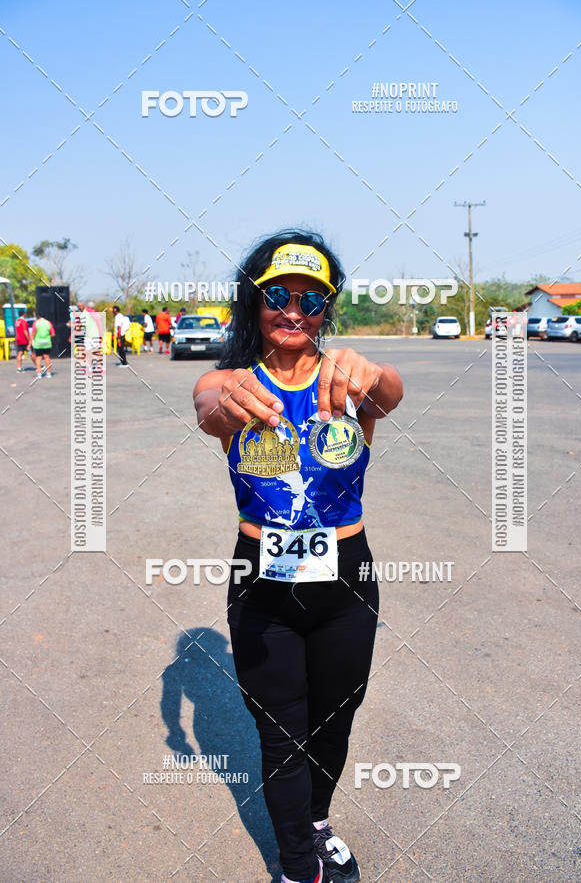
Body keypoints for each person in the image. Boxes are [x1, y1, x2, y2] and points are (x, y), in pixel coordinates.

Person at [193, 230, 403, 883]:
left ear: (327, 309)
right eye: (278, 295)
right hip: (263, 586)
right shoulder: (229, 383)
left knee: (335, 724)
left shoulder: (348, 382)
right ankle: (296, 869)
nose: (293, 311)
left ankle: (316, 821)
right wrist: (219, 405)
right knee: (283, 737)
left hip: (347, 580)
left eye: (311, 301)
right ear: (254, 303)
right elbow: (205, 407)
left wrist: (376, 375)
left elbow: (391, 393)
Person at [31, 312, 55, 378]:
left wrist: (30, 342)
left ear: (38, 316)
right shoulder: (48, 323)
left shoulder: (36, 323)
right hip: (47, 343)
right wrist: (47, 336)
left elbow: (33, 333)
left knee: (38, 358)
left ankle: (39, 374)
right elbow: (53, 334)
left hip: (38, 343)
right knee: (47, 357)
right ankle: (49, 373)